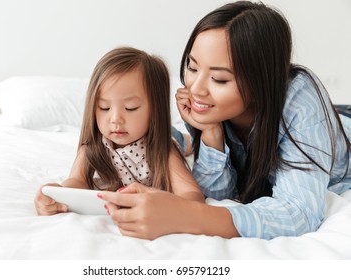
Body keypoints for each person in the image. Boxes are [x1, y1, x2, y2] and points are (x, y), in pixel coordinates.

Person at [99, 1, 351, 240]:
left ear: (260, 81)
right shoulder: (210, 107)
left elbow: (299, 214)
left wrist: (184, 215)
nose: (196, 89)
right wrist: (211, 135)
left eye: (219, 79)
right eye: (193, 68)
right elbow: (219, 194)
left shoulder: (300, 99)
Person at [34, 47, 204, 215]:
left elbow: (193, 195)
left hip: (162, 135)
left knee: (183, 141)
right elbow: (77, 181)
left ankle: (187, 139)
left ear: (155, 110)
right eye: (104, 107)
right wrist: (57, 194)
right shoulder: (91, 148)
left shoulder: (164, 151)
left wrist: (159, 200)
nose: (115, 119)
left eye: (130, 108)